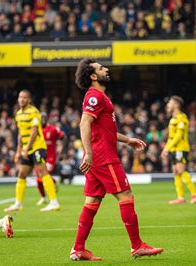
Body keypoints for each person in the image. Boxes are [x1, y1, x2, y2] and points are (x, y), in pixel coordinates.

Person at [70, 58, 163, 261]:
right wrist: (90, 153)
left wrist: (127, 140)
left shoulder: (100, 97)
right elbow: (84, 124)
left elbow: (106, 130)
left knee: (92, 201)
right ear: (93, 76)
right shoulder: (94, 96)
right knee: (126, 195)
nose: (106, 69)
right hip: (103, 157)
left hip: (99, 156)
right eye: (101, 68)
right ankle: (137, 246)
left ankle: (78, 249)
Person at [4, 90, 60, 212]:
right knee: (22, 174)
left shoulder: (34, 112)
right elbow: (20, 134)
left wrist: (27, 147)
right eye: (20, 97)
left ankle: (54, 202)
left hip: (37, 147)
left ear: (29, 100)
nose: (22, 100)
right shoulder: (18, 114)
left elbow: (34, 132)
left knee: (43, 172)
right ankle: (18, 204)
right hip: (26, 149)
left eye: (24, 98)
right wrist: (18, 151)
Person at [161, 96, 196, 204]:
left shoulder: (182, 118)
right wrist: (165, 148)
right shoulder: (172, 119)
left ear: (176, 105)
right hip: (173, 149)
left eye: (170, 103)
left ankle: (194, 194)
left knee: (181, 170)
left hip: (181, 149)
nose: (168, 105)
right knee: (176, 172)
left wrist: (167, 148)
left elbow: (178, 136)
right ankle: (181, 198)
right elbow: (171, 137)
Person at [34, 116, 65, 206]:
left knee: (43, 175)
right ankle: (44, 197)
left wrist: (61, 149)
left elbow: (63, 137)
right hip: (39, 156)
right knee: (38, 178)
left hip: (50, 157)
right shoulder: (36, 130)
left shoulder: (53, 129)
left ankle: (51, 198)